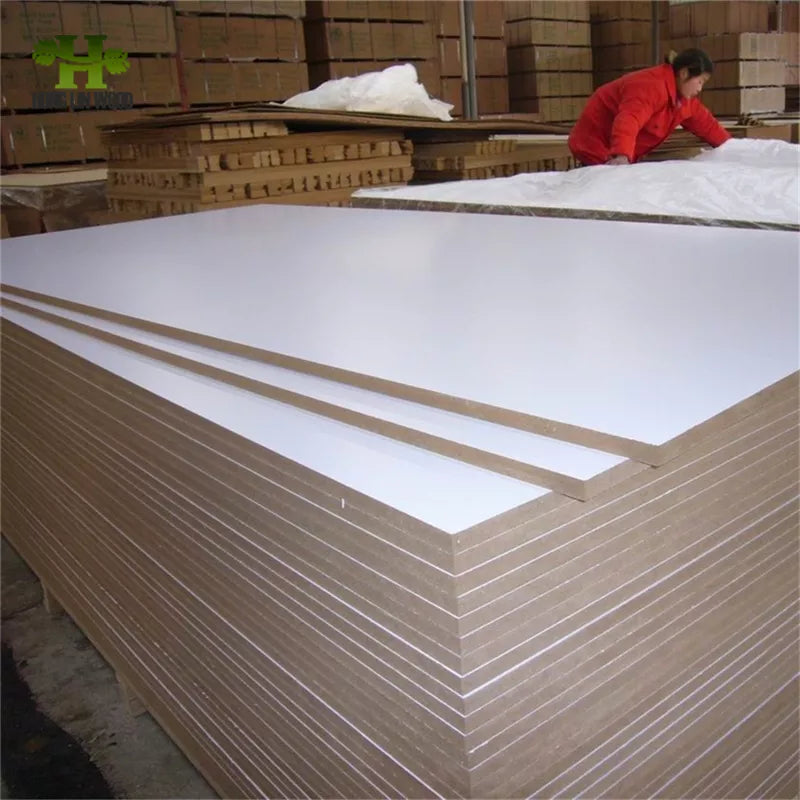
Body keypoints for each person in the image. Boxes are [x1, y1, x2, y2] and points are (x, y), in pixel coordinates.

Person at [568, 49, 731, 166]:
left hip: (618, 150)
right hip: (595, 143)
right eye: (700, 81)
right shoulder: (651, 86)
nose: (700, 88)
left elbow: (707, 125)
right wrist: (622, 155)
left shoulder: (682, 99)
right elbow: (629, 119)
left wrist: (734, 148)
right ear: (684, 73)